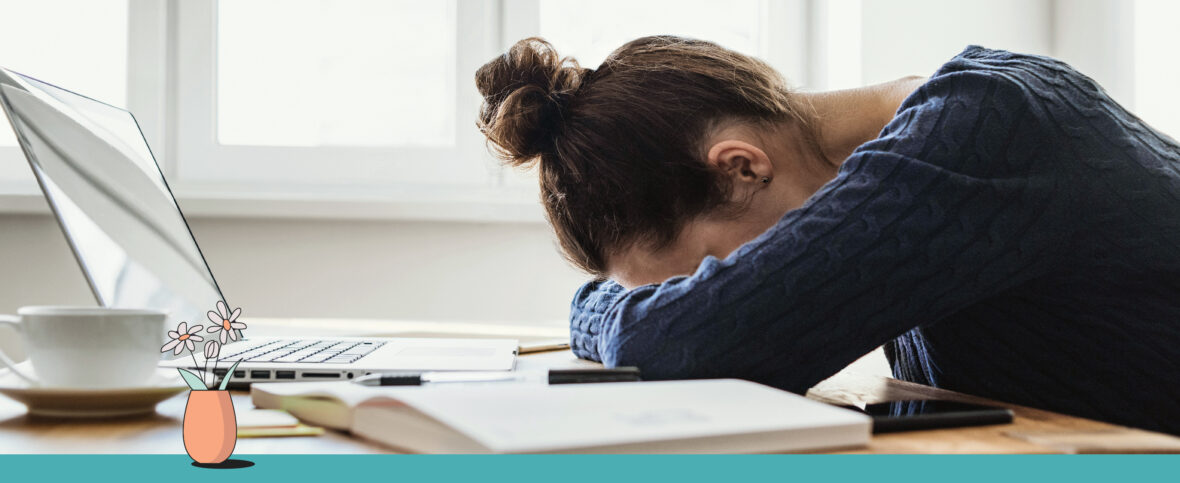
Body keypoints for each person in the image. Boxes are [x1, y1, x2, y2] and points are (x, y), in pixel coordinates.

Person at [475, 36, 1180, 435]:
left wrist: (590, 308)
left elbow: (681, 339)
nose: (718, 290)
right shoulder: (942, 133)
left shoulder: (975, 134)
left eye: (706, 274)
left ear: (742, 166)